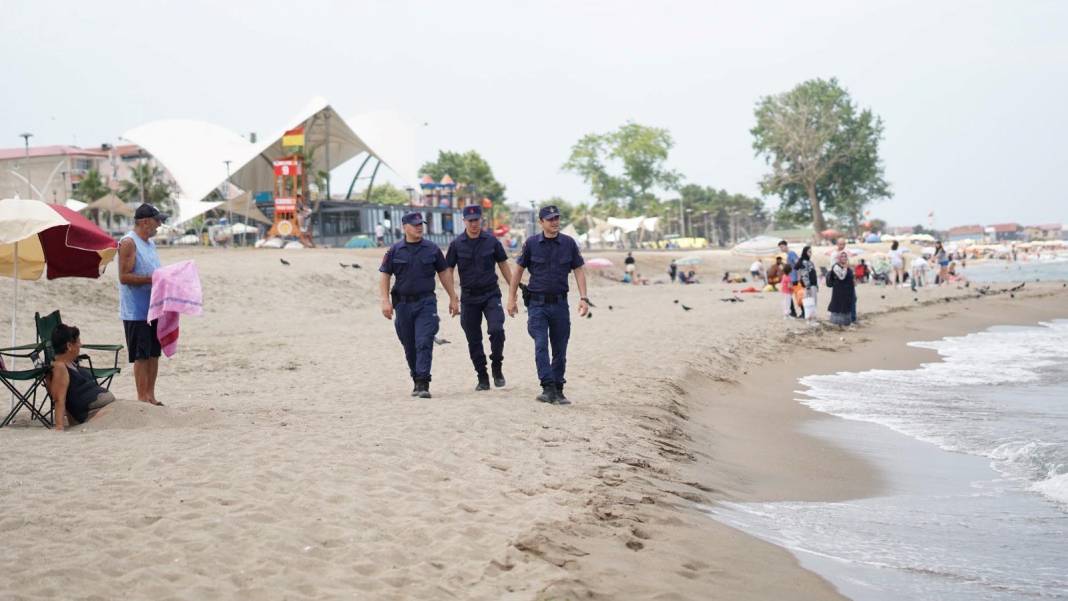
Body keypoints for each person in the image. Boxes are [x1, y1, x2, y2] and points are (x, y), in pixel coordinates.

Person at [507, 205, 589, 405]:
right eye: (550, 219)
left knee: (560, 348)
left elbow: (578, 270)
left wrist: (584, 297)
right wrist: (511, 297)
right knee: (541, 344)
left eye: (557, 218)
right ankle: (547, 387)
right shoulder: (532, 244)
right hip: (537, 305)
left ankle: (558, 389)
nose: (555, 222)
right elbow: (517, 270)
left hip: (560, 304)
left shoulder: (568, 243)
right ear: (541, 222)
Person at [379, 211, 460, 398]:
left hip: (426, 303)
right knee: (409, 344)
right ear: (404, 227)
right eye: (414, 224)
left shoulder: (432, 249)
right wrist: (385, 301)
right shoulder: (394, 251)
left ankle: (423, 382)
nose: (419, 227)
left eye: (420, 224)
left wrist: (453, 297)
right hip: (403, 305)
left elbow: (444, 274)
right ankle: (416, 378)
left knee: (424, 341)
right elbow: (385, 275)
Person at [445, 205, 512, 391]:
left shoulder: (492, 241)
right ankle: (482, 376)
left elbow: (504, 265)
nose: (474, 224)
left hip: (491, 294)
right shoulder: (456, 244)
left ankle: (497, 366)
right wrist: (452, 297)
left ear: (481, 220)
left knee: (497, 330)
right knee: (473, 339)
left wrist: (514, 289)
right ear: (464, 221)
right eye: (470, 220)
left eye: (477, 220)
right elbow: (448, 270)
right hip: (468, 298)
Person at [118, 203, 166, 406]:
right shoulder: (129, 242)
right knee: (141, 355)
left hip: (154, 308)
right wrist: (151, 279)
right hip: (136, 311)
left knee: (154, 353)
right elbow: (124, 277)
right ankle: (141, 398)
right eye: (157, 221)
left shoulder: (151, 244)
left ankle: (151, 396)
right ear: (145, 222)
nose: (159, 225)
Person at [47, 324, 117, 431]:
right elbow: (59, 400)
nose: (81, 344)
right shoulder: (60, 367)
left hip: (102, 409)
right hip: (93, 415)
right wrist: (59, 427)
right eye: (78, 341)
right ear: (69, 346)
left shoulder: (71, 363)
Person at [826, 251, 857, 327]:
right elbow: (842, 276)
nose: (844, 258)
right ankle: (838, 323)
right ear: (838, 258)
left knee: (848, 304)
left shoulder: (847, 266)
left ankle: (849, 321)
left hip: (849, 290)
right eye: (842, 256)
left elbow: (850, 276)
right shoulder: (836, 266)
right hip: (839, 291)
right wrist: (845, 268)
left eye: (845, 256)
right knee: (839, 305)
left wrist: (854, 280)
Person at [794, 246, 818, 321]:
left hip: (813, 285)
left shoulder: (810, 262)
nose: (810, 254)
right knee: (810, 303)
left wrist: (816, 285)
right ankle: (810, 319)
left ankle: (811, 318)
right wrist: (808, 286)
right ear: (805, 252)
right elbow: (804, 275)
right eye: (809, 252)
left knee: (812, 302)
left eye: (811, 252)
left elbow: (813, 274)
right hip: (809, 286)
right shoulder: (804, 262)